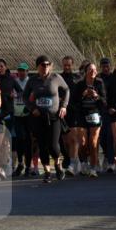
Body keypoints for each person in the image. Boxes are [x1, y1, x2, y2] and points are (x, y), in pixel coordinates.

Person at [24, 55, 69, 183]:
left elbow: (67, 90)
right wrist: (33, 108)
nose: (45, 67)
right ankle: (47, 172)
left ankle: (57, 164)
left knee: (53, 145)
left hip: (54, 117)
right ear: (37, 66)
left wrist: (64, 106)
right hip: (39, 117)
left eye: (48, 64)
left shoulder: (56, 78)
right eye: (43, 65)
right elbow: (25, 96)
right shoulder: (32, 80)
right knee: (42, 146)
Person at [71, 62, 106, 177]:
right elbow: (74, 102)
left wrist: (96, 96)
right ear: (86, 72)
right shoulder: (80, 84)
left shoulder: (99, 83)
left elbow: (104, 101)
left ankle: (93, 168)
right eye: (90, 70)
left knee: (93, 142)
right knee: (83, 143)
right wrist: (83, 94)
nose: (93, 72)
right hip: (82, 114)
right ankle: (84, 162)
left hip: (94, 113)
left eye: (95, 70)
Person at [0, 59, 17, 180]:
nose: (0, 68)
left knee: (6, 141)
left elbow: (21, 92)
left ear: (6, 67)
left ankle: (6, 164)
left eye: (2, 66)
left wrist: (15, 95)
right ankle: (0, 167)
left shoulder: (11, 79)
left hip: (9, 113)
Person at [58, 55, 79, 176]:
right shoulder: (58, 77)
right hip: (62, 112)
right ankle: (71, 159)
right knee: (65, 141)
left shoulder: (77, 78)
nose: (66, 67)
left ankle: (72, 164)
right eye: (65, 65)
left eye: (69, 65)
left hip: (74, 112)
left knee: (74, 139)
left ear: (72, 65)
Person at [11, 62, 32, 177]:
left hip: (28, 115)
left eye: (24, 70)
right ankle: (20, 164)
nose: (21, 72)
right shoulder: (14, 82)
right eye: (20, 70)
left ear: (27, 72)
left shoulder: (31, 82)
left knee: (28, 140)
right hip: (17, 115)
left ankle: (28, 166)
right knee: (19, 140)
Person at [97, 57, 116, 172]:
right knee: (102, 138)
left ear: (110, 66)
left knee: (110, 136)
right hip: (100, 110)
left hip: (112, 110)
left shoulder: (114, 78)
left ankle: (111, 161)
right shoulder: (98, 79)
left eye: (107, 66)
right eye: (103, 66)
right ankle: (106, 154)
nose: (105, 68)